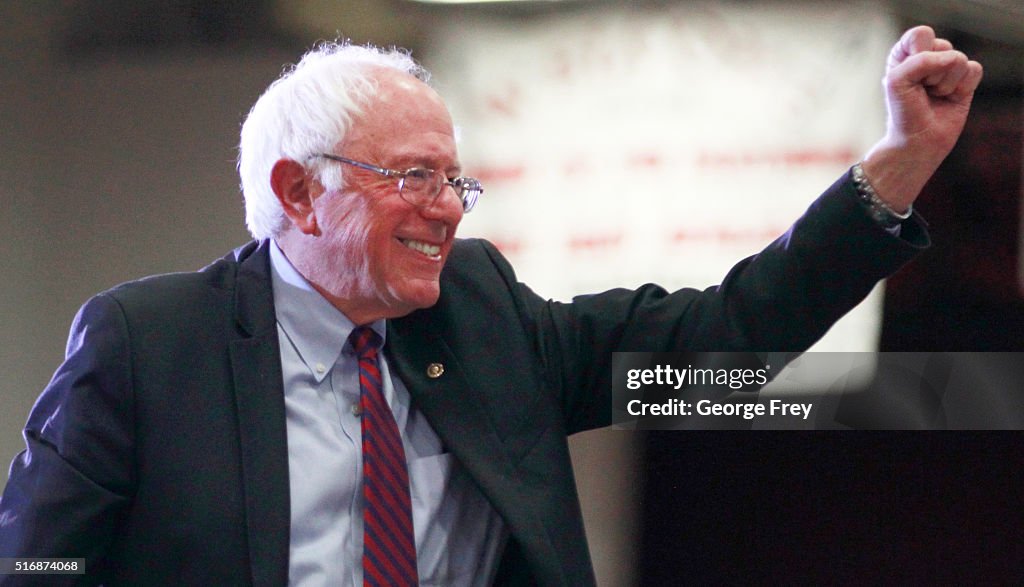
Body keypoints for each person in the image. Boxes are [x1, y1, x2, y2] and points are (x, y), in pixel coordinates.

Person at [0, 25, 982, 586]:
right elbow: (34, 565)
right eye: (415, 176)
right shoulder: (149, 342)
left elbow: (721, 334)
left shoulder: (481, 314)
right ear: (300, 192)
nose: (446, 209)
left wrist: (895, 169)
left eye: (455, 182)